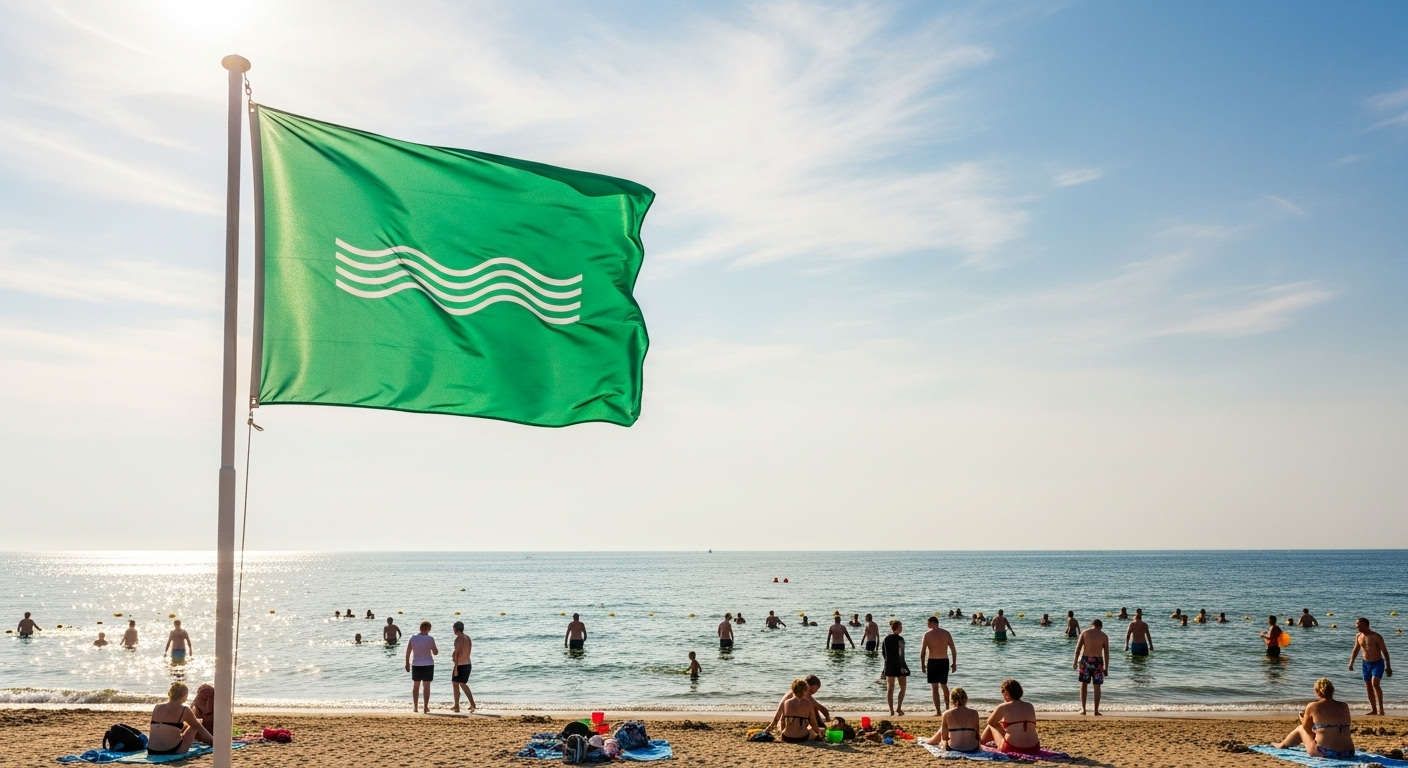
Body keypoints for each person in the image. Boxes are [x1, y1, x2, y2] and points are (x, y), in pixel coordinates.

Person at [1277, 678, 1356, 759]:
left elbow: (1306, 728)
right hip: (1349, 752)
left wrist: (1302, 718)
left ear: (1318, 691)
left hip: (1325, 752)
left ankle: (1282, 745)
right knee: (1323, 730)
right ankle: (1283, 744)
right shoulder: (1344, 706)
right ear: (1332, 691)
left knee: (1301, 729)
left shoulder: (1313, 706)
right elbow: (1346, 724)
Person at [146, 682, 213, 756]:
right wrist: (213, 740)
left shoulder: (157, 707)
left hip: (151, 750)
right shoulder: (184, 710)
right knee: (197, 723)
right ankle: (214, 742)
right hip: (172, 750)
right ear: (184, 696)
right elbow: (198, 727)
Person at [982, 679, 1040, 755]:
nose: (1002, 694)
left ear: (1007, 692)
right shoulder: (1029, 706)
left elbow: (990, 721)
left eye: (1003, 691)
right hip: (1034, 747)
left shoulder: (1004, 707)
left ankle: (981, 743)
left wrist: (1002, 731)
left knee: (991, 725)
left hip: (1012, 747)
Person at [1350, 617, 1393, 716]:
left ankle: (1381, 709)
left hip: (1377, 663)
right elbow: (1355, 650)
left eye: (1359, 625)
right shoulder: (1358, 636)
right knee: (1368, 687)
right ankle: (1374, 710)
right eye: (1357, 625)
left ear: (1366, 625)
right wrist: (1351, 662)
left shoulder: (1376, 636)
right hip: (1365, 664)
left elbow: (1385, 652)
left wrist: (1388, 667)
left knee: (1375, 683)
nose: (1357, 627)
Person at [921, 615, 958, 714]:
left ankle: (938, 711)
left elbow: (923, 651)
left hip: (932, 661)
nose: (927, 625)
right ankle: (947, 709)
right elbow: (953, 650)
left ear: (933, 623)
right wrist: (954, 663)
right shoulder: (946, 633)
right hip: (944, 661)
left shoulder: (927, 635)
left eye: (928, 623)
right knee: (944, 685)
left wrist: (922, 664)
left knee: (934, 687)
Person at [925, 686, 980, 753]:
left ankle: (931, 741)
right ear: (966, 699)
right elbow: (977, 735)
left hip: (954, 748)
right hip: (972, 748)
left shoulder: (946, 714)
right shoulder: (974, 713)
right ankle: (931, 740)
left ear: (952, 700)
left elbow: (944, 738)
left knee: (944, 728)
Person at [1073, 619, 1110, 716]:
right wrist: (1106, 667)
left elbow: (1078, 648)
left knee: (1084, 684)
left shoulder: (1085, 633)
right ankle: (1096, 711)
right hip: (1098, 661)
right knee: (1097, 686)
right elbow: (1106, 653)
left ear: (1092, 625)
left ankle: (1084, 709)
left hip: (1085, 660)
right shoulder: (1104, 636)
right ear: (1100, 626)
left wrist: (1075, 662)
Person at [405, 620, 438, 713]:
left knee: (416, 686)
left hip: (416, 664)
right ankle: (425, 707)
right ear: (428, 629)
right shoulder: (430, 639)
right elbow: (435, 652)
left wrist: (407, 663)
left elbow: (408, 652)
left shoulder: (413, 638)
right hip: (428, 664)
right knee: (426, 686)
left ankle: (415, 706)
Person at [882, 619, 909, 716]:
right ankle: (899, 708)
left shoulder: (886, 639)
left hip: (889, 665)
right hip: (899, 665)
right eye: (901, 627)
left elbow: (884, 654)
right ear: (897, 628)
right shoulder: (900, 639)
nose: (902, 628)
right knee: (903, 687)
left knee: (890, 688)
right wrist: (904, 666)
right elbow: (901, 654)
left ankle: (891, 710)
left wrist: (885, 667)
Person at [450, 620, 475, 713]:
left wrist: (456, 666)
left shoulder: (458, 639)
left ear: (456, 629)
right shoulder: (467, 638)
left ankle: (471, 704)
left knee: (461, 684)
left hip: (460, 664)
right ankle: (457, 705)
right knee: (457, 683)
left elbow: (457, 653)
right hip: (468, 663)